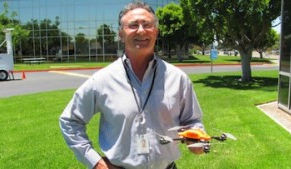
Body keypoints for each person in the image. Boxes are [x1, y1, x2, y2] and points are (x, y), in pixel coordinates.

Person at [59, 1, 205, 169]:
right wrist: (95, 163)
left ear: (156, 32)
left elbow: (192, 120)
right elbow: (70, 120)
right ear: (121, 34)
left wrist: (197, 137)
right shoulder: (102, 80)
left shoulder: (178, 78)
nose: (141, 30)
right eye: (133, 25)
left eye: (147, 25)